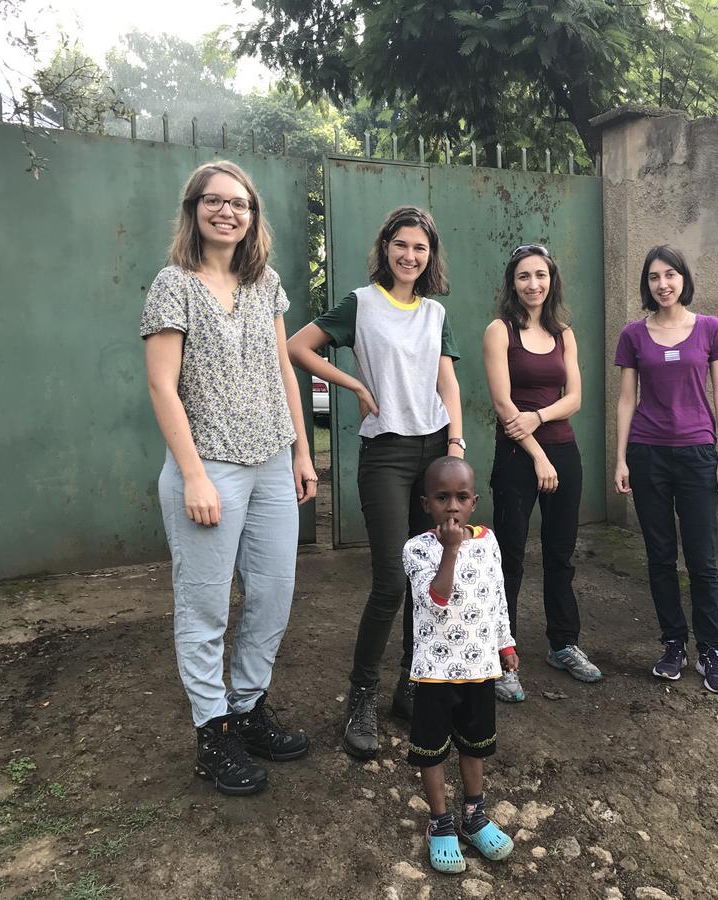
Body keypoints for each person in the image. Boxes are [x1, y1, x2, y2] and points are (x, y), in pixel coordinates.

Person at [141, 160, 314, 796]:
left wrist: (300, 452)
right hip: (208, 466)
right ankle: (212, 731)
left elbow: (284, 371)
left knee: (273, 592)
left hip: (272, 461)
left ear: (252, 215)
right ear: (194, 210)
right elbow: (162, 384)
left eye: (239, 204)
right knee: (206, 602)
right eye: (214, 201)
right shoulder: (172, 284)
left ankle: (247, 706)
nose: (228, 212)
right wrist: (192, 475)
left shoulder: (264, 281)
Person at [287, 206, 463, 759]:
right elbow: (296, 346)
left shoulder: (435, 313)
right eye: (401, 245)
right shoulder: (360, 304)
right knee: (390, 578)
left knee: (426, 576)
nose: (410, 256)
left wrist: (456, 445)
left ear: (431, 255)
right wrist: (353, 386)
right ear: (385, 247)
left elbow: (448, 382)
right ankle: (360, 697)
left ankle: (411, 687)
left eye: (421, 248)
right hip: (385, 454)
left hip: (435, 451)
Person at [613, 245, 718, 694]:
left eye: (670, 275)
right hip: (648, 454)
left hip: (698, 454)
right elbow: (627, 399)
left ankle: (710, 650)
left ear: (683, 278)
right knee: (660, 557)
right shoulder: (632, 335)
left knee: (702, 560)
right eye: (653, 277)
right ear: (646, 284)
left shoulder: (710, 329)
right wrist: (622, 458)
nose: (662, 284)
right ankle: (672, 644)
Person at [482, 244, 600, 703]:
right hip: (517, 458)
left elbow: (575, 398)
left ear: (552, 280)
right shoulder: (499, 331)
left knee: (560, 553)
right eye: (524, 276)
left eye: (541, 275)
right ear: (512, 283)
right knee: (509, 557)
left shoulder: (562, 332)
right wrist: (536, 453)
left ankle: (563, 644)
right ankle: (503, 656)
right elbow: (502, 404)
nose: (534, 284)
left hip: (564, 452)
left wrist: (540, 417)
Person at [402, 456, 516, 874]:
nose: (452, 505)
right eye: (441, 497)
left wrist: (505, 644)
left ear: (474, 502)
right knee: (431, 750)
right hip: (435, 670)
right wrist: (450, 550)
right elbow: (436, 599)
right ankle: (440, 821)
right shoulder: (417, 548)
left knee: (475, 742)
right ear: (425, 504)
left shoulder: (488, 541)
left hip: (480, 667)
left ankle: (473, 814)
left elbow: (498, 596)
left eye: (461, 497)